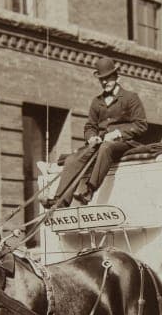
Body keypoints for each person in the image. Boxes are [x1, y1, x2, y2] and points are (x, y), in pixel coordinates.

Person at [42, 56, 147, 210]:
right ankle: (60, 201)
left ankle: (89, 191)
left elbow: (141, 125)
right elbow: (90, 126)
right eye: (101, 79)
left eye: (108, 78)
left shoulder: (131, 98)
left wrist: (118, 133)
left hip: (125, 143)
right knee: (72, 159)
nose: (104, 82)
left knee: (106, 147)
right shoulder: (96, 102)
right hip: (101, 144)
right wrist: (92, 137)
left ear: (117, 77)